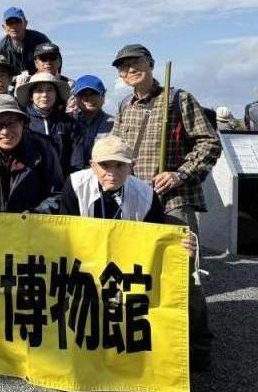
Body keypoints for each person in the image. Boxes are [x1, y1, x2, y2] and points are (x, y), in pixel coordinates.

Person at [59, 135, 211, 370]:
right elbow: (65, 231)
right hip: (84, 258)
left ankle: (197, 348)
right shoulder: (74, 185)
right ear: (92, 165)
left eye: (120, 165)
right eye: (104, 165)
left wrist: (183, 242)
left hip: (128, 263)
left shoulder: (146, 194)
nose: (112, 172)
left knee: (187, 279)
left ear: (132, 166)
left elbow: (158, 238)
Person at [110, 44, 222, 230]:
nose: (130, 69)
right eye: (123, 66)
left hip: (173, 200)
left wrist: (180, 174)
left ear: (151, 64)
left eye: (136, 61)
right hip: (134, 199)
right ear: (120, 75)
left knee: (181, 256)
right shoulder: (124, 106)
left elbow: (210, 143)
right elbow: (115, 148)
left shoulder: (178, 99)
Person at [0, 95, 63, 213]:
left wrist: (35, 214)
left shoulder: (43, 148)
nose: (5, 132)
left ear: (22, 123)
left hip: (35, 225)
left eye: (11, 123)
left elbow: (57, 194)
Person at [15, 72, 83, 175]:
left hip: (63, 184)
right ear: (31, 96)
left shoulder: (69, 123)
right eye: (39, 90)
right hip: (30, 184)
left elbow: (76, 159)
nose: (44, 94)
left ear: (56, 95)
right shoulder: (21, 122)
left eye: (49, 90)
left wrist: (72, 182)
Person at [0, 6, 51, 76]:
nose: (14, 26)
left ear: (25, 23)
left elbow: (55, 61)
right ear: (4, 27)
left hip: (39, 82)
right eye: (9, 23)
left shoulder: (41, 40)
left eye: (18, 22)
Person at [72, 75, 114, 167]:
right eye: (83, 94)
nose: (89, 98)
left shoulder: (114, 124)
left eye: (93, 94)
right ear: (76, 98)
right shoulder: (69, 123)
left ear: (103, 96)